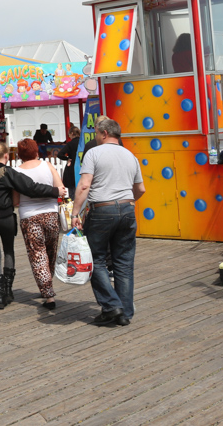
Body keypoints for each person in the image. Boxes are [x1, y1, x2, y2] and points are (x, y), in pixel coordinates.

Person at [72, 117, 145, 327]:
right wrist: (125, 203)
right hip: (128, 209)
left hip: (101, 210)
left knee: (95, 259)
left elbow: (84, 186)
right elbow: (140, 189)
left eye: (96, 134)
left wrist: (75, 213)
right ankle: (125, 312)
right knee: (123, 263)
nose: (95, 137)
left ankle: (112, 306)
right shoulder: (130, 155)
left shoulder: (94, 153)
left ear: (104, 133)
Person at [0, 142, 64, 310]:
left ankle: (0, 296)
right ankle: (8, 291)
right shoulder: (7, 172)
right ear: (6, 156)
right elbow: (30, 187)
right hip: (5, 217)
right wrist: (54, 192)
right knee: (8, 251)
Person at [13, 139, 64, 310]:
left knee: (37, 255)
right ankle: (47, 285)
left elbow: (15, 200)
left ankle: (48, 293)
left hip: (29, 216)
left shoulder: (16, 171)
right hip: (51, 214)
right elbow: (60, 188)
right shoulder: (47, 165)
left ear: (20, 155)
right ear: (36, 151)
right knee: (50, 251)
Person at [59, 125, 81, 192]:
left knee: (72, 192)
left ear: (71, 134)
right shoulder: (82, 143)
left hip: (72, 169)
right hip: (82, 167)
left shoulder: (70, 144)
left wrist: (67, 158)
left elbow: (60, 154)